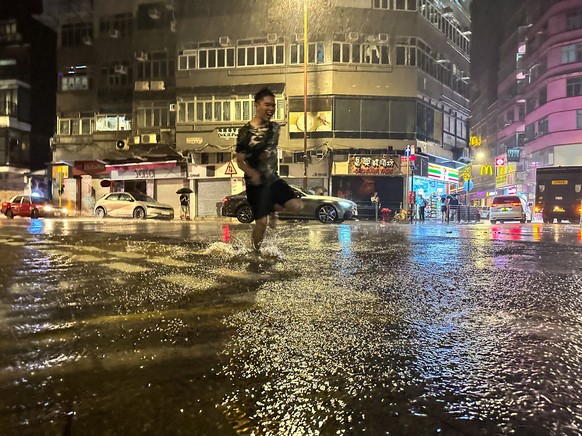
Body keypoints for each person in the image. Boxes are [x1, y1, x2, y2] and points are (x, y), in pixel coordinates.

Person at [235, 87, 303, 251]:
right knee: (262, 223)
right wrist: (252, 173)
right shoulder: (245, 132)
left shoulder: (275, 128)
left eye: (273, 105)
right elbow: (240, 161)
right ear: (257, 105)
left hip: (273, 179)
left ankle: (271, 208)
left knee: (297, 206)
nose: (271, 109)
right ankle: (254, 252)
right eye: (267, 105)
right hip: (255, 184)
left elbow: (268, 149)